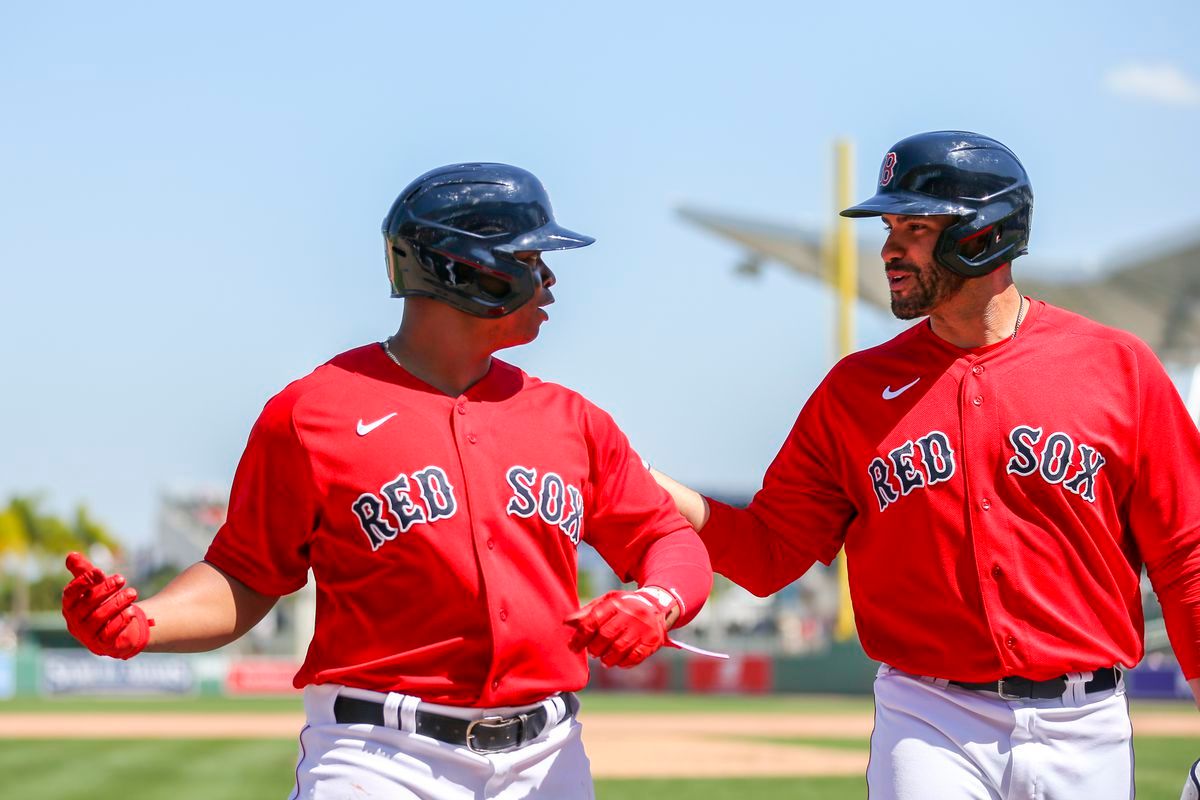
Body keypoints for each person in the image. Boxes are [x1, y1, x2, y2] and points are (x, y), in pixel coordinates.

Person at [60, 162, 713, 800]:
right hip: (381, 758)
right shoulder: (313, 414)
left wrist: (655, 603)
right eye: (528, 260)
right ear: (469, 270)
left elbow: (669, 540)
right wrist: (143, 621)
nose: (548, 280)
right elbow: (245, 573)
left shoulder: (574, 420)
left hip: (548, 758)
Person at [651, 131, 1200, 800]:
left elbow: (1186, 557)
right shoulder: (854, 392)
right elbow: (768, 555)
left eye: (914, 227)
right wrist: (643, 482)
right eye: (889, 227)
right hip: (931, 716)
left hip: (1086, 721)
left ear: (984, 234)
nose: (888, 249)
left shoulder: (1118, 368)